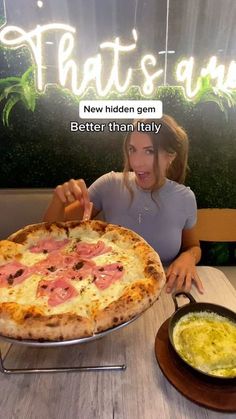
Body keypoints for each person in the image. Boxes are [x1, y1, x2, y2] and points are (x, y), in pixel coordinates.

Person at [44, 115, 203, 294]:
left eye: (149, 151)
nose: (136, 162)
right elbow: (51, 233)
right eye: (132, 149)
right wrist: (59, 200)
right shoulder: (109, 185)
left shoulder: (185, 198)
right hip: (111, 291)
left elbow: (193, 247)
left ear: (170, 156)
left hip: (166, 290)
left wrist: (189, 257)